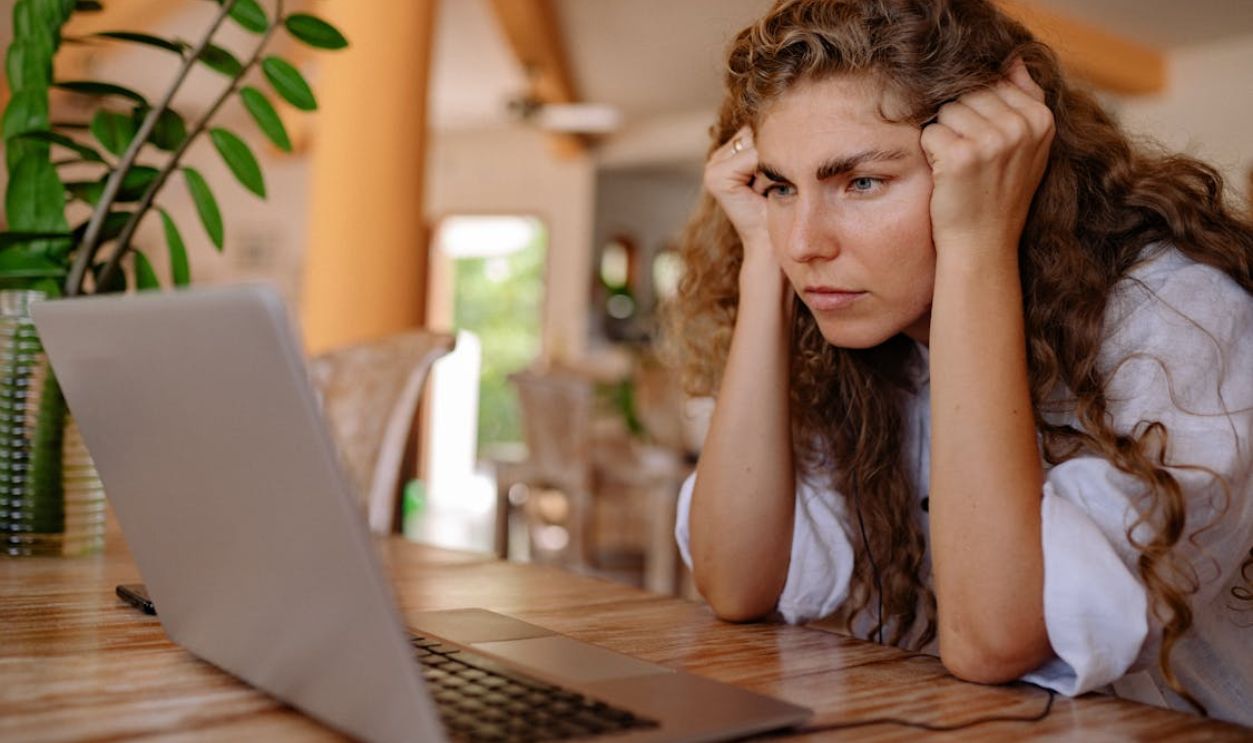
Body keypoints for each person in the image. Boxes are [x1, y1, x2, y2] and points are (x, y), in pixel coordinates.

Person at [668, 0, 1253, 725]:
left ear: (990, 163)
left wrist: (978, 239)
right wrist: (759, 259)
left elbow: (991, 641)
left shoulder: (1177, 313)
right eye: (781, 186)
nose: (803, 243)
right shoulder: (846, 322)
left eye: (860, 182)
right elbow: (734, 582)